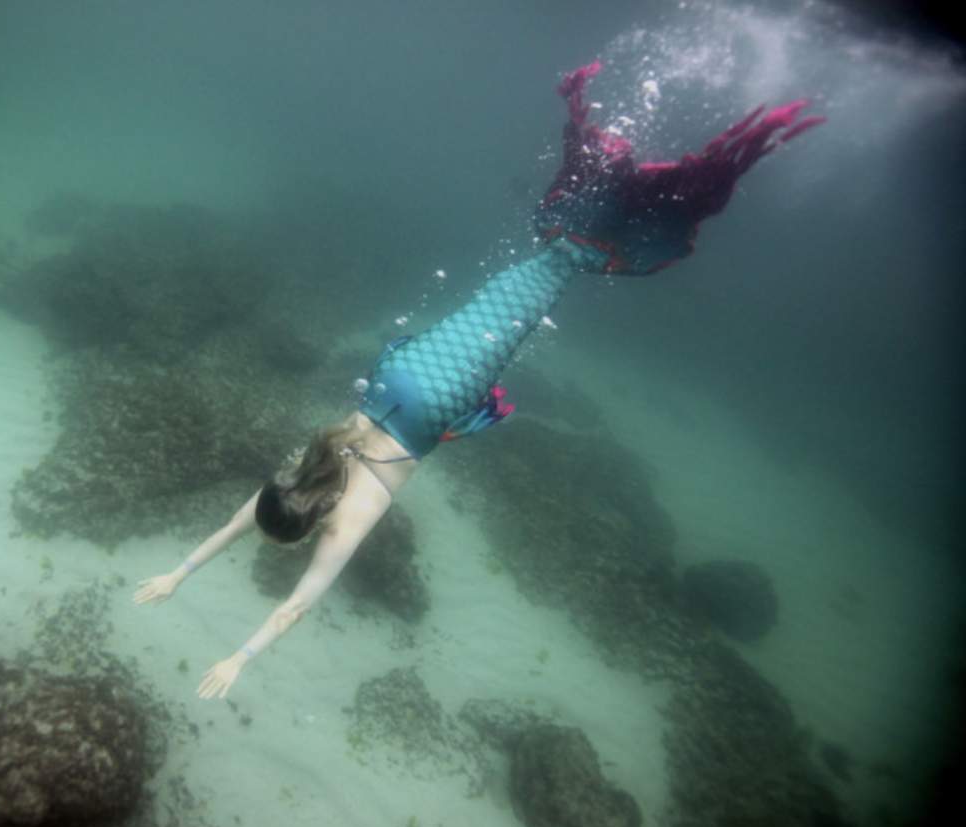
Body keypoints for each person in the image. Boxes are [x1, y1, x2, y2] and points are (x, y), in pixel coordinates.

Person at [133, 61, 822, 699]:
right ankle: (585, 132)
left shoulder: (346, 521)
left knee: (540, 296)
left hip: (445, 398)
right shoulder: (305, 463)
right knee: (497, 296)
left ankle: (655, 191)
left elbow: (299, 604)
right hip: (404, 371)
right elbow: (240, 520)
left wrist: (238, 658)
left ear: (309, 527)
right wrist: (179, 572)